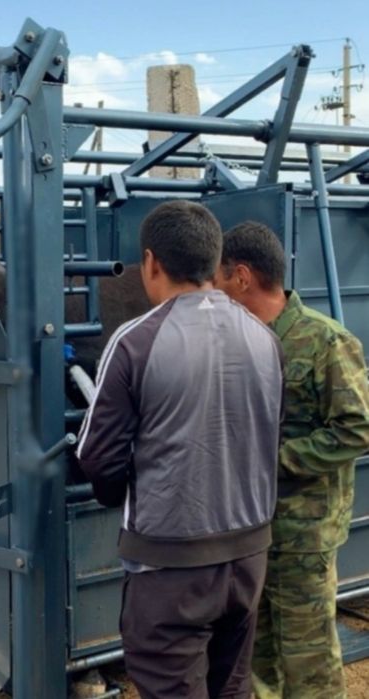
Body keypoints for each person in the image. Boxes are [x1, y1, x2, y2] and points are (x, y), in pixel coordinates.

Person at [77, 201, 284, 699]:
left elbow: (98, 457)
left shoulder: (135, 341)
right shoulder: (265, 338)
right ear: (214, 261)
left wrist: (119, 496)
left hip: (169, 565)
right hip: (249, 558)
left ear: (151, 262)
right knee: (231, 687)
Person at [215, 220, 369, 699]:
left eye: (219, 278)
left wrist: (275, 462)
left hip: (303, 533)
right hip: (249, 529)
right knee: (256, 654)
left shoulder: (325, 340)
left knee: (308, 661)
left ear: (242, 276)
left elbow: (358, 427)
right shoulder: (237, 343)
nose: (214, 290)